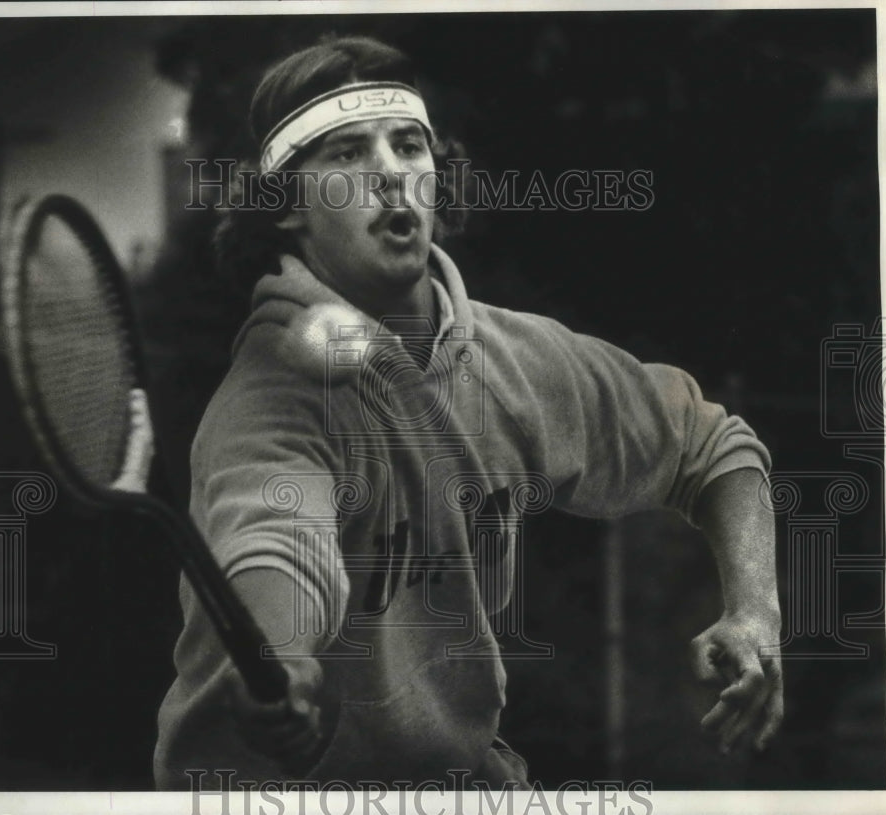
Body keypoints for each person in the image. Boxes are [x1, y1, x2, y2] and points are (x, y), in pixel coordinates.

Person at [153, 35, 783, 791]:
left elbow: (709, 443)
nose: (390, 171)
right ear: (288, 204)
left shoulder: (513, 357)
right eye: (347, 154)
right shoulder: (271, 397)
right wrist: (281, 652)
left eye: (408, 144)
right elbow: (274, 541)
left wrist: (755, 611)